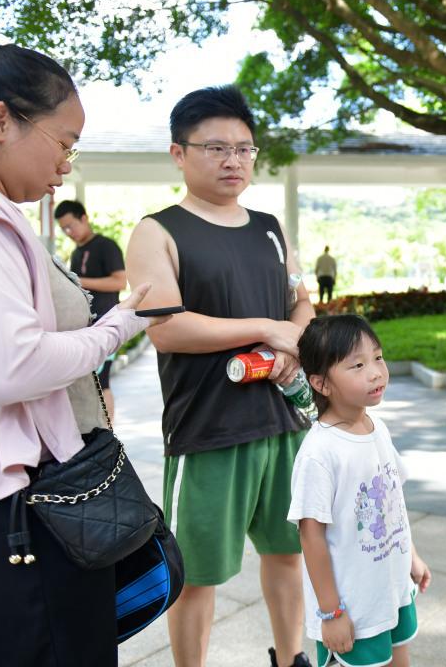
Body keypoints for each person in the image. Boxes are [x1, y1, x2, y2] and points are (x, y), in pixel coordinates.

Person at [0, 28, 159, 666]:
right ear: (0, 122)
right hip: (7, 520)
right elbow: (11, 366)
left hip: (9, 513)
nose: (66, 165)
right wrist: (118, 326)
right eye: (64, 143)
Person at [126, 85, 315, 667]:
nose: (233, 160)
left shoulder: (270, 227)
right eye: (215, 148)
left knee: (289, 554)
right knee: (194, 575)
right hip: (208, 430)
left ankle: (291, 658)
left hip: (284, 421)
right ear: (179, 154)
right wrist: (266, 328)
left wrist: (293, 340)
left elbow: (302, 303)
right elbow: (166, 328)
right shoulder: (157, 231)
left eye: (243, 148)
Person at [290, 314, 432, 667]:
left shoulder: (376, 427)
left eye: (378, 358)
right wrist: (331, 613)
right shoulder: (319, 453)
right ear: (321, 384)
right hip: (353, 607)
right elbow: (311, 536)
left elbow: (392, 502)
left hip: (389, 591)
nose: (375, 372)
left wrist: (410, 556)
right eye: (357, 365)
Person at [55, 199, 128, 418]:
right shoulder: (76, 253)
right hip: (86, 327)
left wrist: (79, 281)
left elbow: (120, 282)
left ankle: (109, 432)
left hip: (106, 324)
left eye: (71, 226)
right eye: (64, 229)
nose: (69, 233)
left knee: (102, 382)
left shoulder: (106, 246)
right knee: (90, 384)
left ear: (84, 219)